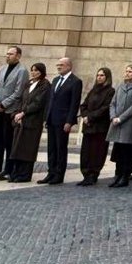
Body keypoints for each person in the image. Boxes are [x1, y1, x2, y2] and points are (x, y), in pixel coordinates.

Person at [0, 45, 26, 181]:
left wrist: (3, 104)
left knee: (9, 141)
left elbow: (18, 92)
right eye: (7, 54)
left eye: (11, 54)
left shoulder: (22, 71)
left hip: (10, 111)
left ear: (18, 56)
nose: (8, 56)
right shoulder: (2, 69)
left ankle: (9, 169)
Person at [39, 57, 82, 185]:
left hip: (63, 121)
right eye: (58, 65)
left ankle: (59, 174)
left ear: (69, 66)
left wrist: (69, 121)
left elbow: (74, 103)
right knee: (51, 148)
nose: (58, 67)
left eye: (61, 65)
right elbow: (50, 100)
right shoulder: (56, 80)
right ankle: (51, 172)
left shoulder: (75, 81)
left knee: (60, 148)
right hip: (52, 119)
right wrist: (46, 118)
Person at [8, 63, 52, 182]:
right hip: (21, 120)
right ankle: (16, 173)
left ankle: (25, 175)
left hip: (33, 121)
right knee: (17, 148)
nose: (34, 72)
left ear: (42, 72)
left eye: (36, 70)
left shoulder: (45, 85)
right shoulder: (29, 83)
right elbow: (22, 100)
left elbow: (38, 103)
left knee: (28, 149)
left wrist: (24, 113)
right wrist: (17, 113)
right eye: (32, 70)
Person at [107, 64, 132, 187]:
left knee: (127, 151)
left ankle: (125, 175)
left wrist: (121, 118)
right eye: (126, 71)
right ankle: (118, 174)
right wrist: (113, 116)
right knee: (118, 150)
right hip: (116, 122)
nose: (127, 73)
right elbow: (113, 103)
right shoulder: (121, 86)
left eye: (130, 72)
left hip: (128, 123)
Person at [77, 67, 114, 186]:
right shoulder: (93, 90)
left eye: (102, 75)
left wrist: (90, 117)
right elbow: (84, 105)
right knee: (86, 152)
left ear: (107, 77)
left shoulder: (110, 91)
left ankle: (93, 174)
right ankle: (85, 174)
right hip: (88, 126)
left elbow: (105, 108)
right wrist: (85, 116)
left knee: (97, 152)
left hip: (100, 127)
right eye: (98, 75)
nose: (99, 77)